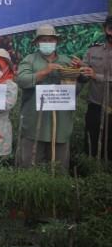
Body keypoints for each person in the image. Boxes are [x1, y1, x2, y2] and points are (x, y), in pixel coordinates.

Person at [16, 24, 89, 169]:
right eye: (44, 40)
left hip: (61, 123)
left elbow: (80, 81)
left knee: (59, 167)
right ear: (37, 43)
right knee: (30, 167)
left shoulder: (66, 61)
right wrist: (44, 72)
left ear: (56, 42)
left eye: (51, 40)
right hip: (35, 122)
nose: (47, 43)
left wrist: (81, 70)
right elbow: (22, 80)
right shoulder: (29, 60)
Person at [80, 15, 111, 160]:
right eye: (110, 29)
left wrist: (96, 76)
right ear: (105, 29)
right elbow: (84, 77)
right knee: (91, 146)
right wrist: (80, 70)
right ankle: (90, 176)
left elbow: (94, 76)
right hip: (96, 106)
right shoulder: (93, 50)